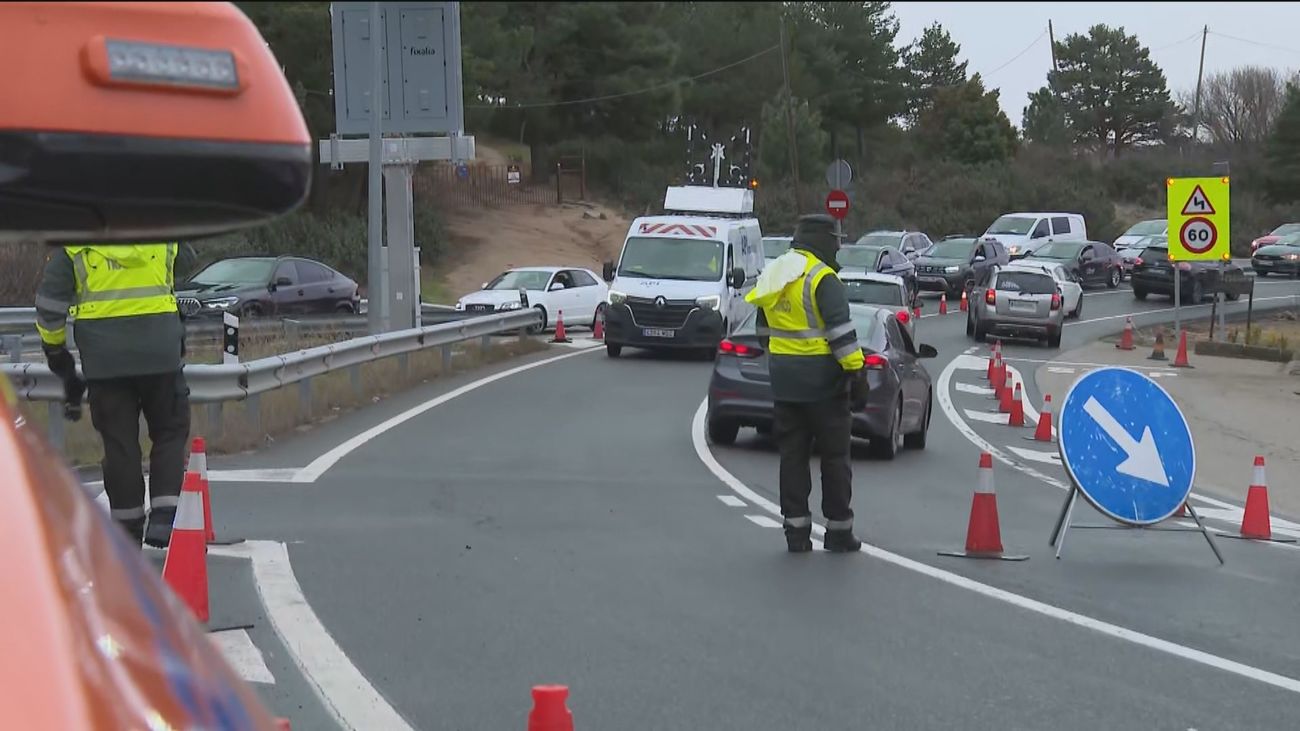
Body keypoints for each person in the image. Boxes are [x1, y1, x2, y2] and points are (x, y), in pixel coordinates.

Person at [35, 243, 195, 548]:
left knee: (119, 442)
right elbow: (186, 258)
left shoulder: (73, 247)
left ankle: (127, 530)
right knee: (170, 429)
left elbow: (49, 307)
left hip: (103, 359)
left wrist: (56, 352)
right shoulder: (160, 233)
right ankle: (164, 514)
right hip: (160, 352)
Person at [746, 215, 869, 553]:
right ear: (825, 240)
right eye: (837, 240)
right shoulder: (821, 277)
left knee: (792, 457)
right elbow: (841, 334)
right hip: (825, 386)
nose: (839, 247)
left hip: (785, 383)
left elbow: (762, 332)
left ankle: (796, 533)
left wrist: (786, 357)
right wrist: (856, 373)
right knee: (834, 457)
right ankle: (839, 531)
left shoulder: (775, 272)